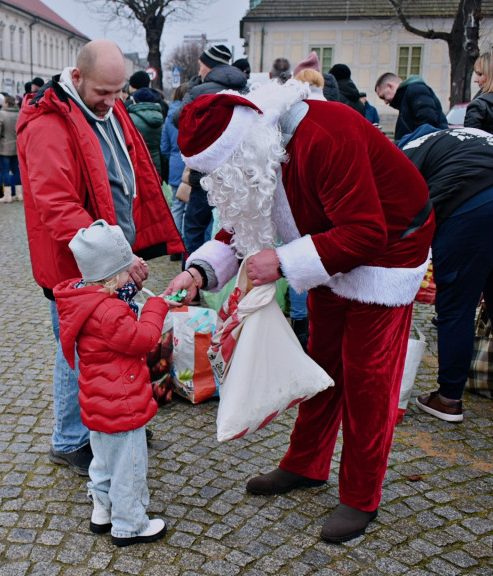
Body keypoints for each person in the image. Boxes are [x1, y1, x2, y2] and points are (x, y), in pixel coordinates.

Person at [164, 82, 433, 542]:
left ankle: (361, 494)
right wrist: (200, 272)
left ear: (240, 149)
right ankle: (305, 464)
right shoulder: (260, 148)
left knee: (368, 379)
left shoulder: (328, 135)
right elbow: (241, 223)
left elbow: (368, 232)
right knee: (322, 366)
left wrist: (286, 262)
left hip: (388, 253)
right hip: (328, 251)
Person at [16, 39, 183, 477]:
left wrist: (131, 251)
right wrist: (116, 258)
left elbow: (131, 178)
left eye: (117, 92)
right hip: (77, 267)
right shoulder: (48, 125)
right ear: (76, 77)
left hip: (113, 261)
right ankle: (70, 440)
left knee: (115, 348)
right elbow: (57, 205)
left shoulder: (106, 109)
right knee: (77, 353)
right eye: (102, 93)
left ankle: (115, 425)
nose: (111, 102)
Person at [400, 125, 493, 424]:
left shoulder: (408, 151)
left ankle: (449, 398)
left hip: (474, 202)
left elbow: (399, 210)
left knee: (457, 305)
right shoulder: (465, 136)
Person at [53, 220, 170, 546]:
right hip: (122, 402)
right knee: (129, 465)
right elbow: (143, 339)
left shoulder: (85, 299)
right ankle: (129, 525)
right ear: (115, 275)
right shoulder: (110, 312)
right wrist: (156, 308)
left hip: (96, 400)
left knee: (103, 461)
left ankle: (101, 511)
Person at [180, 44, 247, 257]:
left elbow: (178, 120)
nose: (199, 71)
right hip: (237, 174)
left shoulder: (199, 91)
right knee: (234, 231)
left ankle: (193, 279)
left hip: (204, 175)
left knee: (194, 228)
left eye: (201, 66)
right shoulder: (245, 88)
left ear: (208, 66)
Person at [374, 72, 449, 143]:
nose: (385, 102)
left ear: (390, 86)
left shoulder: (415, 90)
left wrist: (403, 143)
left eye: (383, 96)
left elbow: (427, 123)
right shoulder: (409, 95)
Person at [160, 82, 189, 249]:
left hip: (175, 163)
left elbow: (164, 146)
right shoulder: (193, 112)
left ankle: (175, 245)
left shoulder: (170, 116)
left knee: (177, 206)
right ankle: (186, 244)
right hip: (191, 162)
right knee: (190, 208)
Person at [126, 87, 165, 179]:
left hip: (137, 161)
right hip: (156, 161)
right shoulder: (159, 117)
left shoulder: (130, 118)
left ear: (136, 101)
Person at [0, 93, 21, 203]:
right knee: (17, 170)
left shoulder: (2, 114)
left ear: (6, 103)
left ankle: (7, 195)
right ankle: (19, 194)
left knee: (5, 171)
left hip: (3, 147)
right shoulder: (19, 113)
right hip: (16, 146)